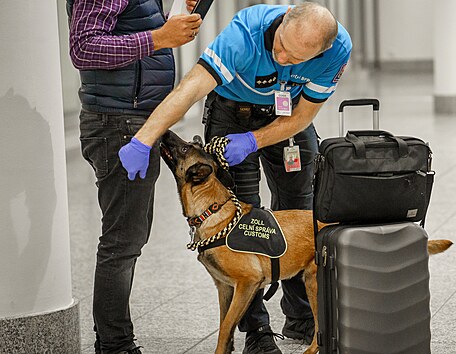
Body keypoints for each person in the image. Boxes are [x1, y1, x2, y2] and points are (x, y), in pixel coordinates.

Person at [118, 2, 351, 353]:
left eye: (296, 57)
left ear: (322, 51)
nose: (283, 58)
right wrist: (144, 138)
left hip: (287, 117)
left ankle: (302, 317)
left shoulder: (337, 50)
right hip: (231, 113)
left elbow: (302, 116)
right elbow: (189, 89)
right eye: (281, 46)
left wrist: (255, 141)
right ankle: (256, 331)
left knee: (299, 207)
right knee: (242, 222)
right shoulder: (245, 34)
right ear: (283, 21)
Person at [67, 0, 202, 352]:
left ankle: (115, 341)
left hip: (136, 121)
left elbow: (128, 26)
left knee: (129, 238)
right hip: (118, 124)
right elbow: (84, 47)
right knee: (122, 242)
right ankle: (114, 345)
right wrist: (159, 37)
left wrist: (169, 16)